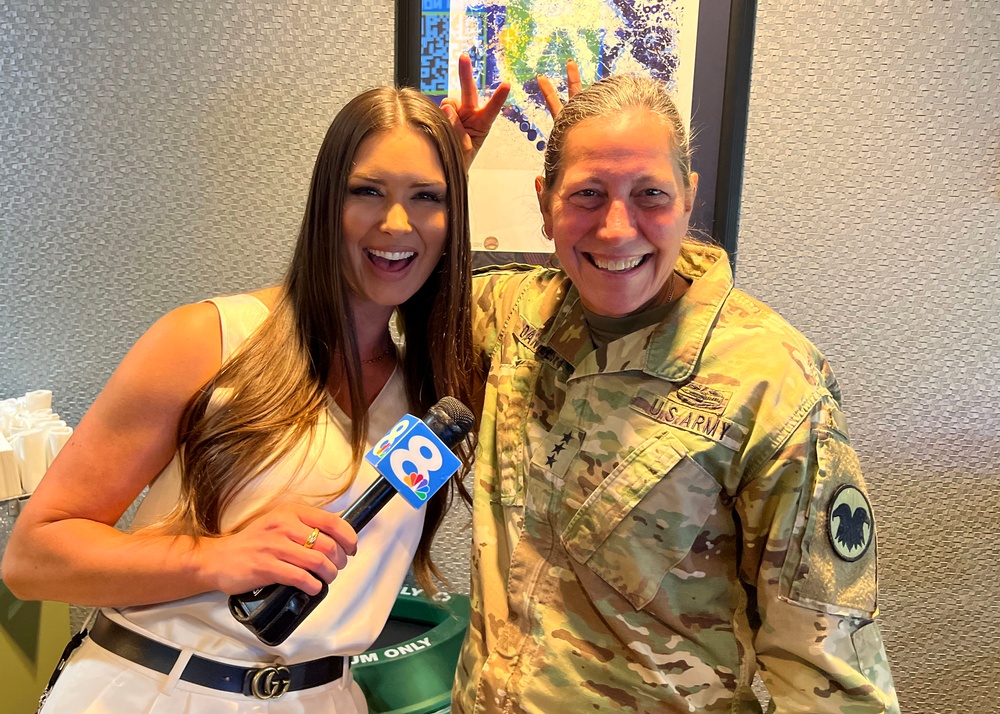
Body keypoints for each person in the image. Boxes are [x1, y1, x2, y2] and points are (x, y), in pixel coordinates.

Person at [1, 85, 493, 713]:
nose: (396, 222)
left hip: (326, 698)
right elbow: (35, 557)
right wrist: (218, 558)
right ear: (325, 203)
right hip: (157, 690)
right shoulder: (209, 339)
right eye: (366, 191)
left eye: (427, 197)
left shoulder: (431, 387)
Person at [446, 67, 900, 712]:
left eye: (650, 194)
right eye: (588, 194)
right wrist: (444, 176)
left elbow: (827, 673)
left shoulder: (769, 382)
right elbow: (392, 294)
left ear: (689, 197)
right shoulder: (514, 314)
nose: (616, 227)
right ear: (545, 203)